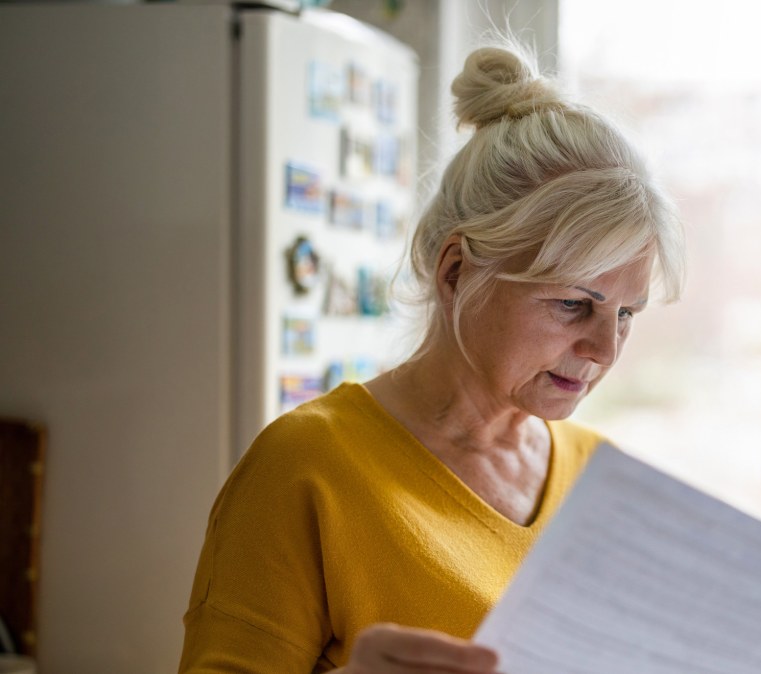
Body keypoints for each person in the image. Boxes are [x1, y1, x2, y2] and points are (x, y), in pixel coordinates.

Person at [179, 42, 685, 674]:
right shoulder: (305, 469)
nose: (604, 350)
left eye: (626, 314)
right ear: (455, 273)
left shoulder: (601, 479)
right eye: (572, 304)